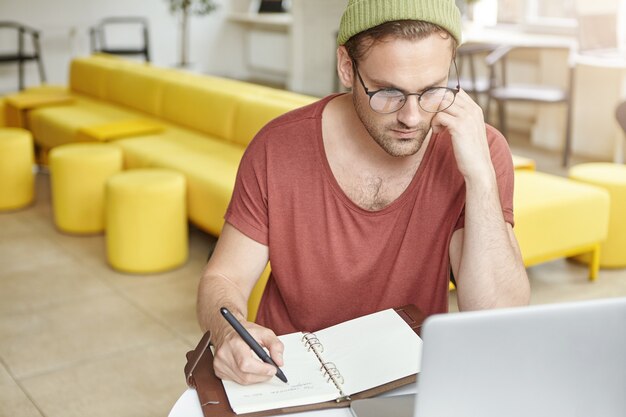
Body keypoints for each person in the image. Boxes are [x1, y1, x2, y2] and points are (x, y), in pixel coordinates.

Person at [197, 0, 530, 385]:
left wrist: (480, 178)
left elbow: (496, 318)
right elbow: (223, 278)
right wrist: (229, 333)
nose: (412, 117)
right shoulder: (277, 147)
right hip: (291, 378)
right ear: (346, 67)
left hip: (406, 379)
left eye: (432, 90)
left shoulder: (477, 150)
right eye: (388, 93)